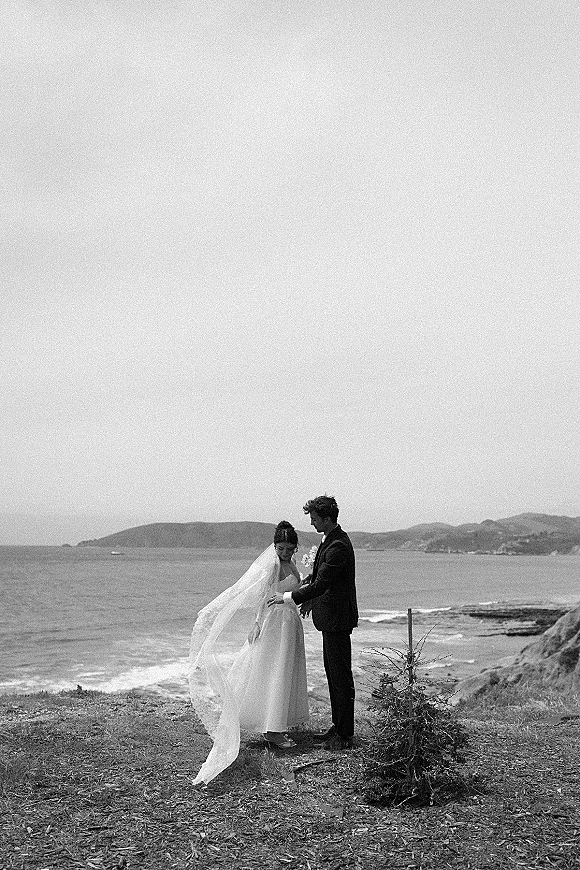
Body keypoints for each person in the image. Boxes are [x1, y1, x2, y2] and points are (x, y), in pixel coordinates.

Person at [189, 521, 309, 784]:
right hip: (275, 622)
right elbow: (260, 596)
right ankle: (273, 730)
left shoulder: (293, 564)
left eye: (290, 548)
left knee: (283, 671)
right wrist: (256, 622)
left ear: (295, 547)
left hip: (290, 621)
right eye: (281, 547)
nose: (285, 552)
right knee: (272, 670)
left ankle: (274, 724)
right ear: (274, 546)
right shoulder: (272, 565)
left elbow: (293, 591)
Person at [268, 495, 358, 750]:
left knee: (340, 675)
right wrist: (309, 593)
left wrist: (289, 596)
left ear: (327, 519)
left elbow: (323, 582)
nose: (312, 523)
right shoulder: (330, 539)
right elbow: (318, 577)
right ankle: (338, 726)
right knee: (333, 672)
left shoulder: (338, 545)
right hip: (331, 617)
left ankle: (344, 734)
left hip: (338, 619)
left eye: (315, 519)